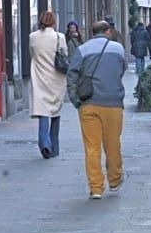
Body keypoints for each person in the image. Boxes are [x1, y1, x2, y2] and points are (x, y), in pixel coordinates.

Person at [66, 20, 127, 200]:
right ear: (108, 32)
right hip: (113, 103)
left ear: (92, 32)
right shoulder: (118, 49)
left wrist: (75, 100)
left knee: (92, 147)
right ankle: (114, 179)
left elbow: (72, 74)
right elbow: (121, 71)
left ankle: (96, 187)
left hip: (88, 103)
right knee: (113, 143)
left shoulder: (82, 50)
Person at [29, 11, 68, 159]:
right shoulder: (59, 37)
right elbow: (64, 53)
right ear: (53, 22)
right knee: (55, 112)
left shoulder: (33, 37)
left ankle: (44, 142)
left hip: (39, 76)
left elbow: (32, 54)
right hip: (56, 78)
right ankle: (54, 147)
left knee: (43, 111)